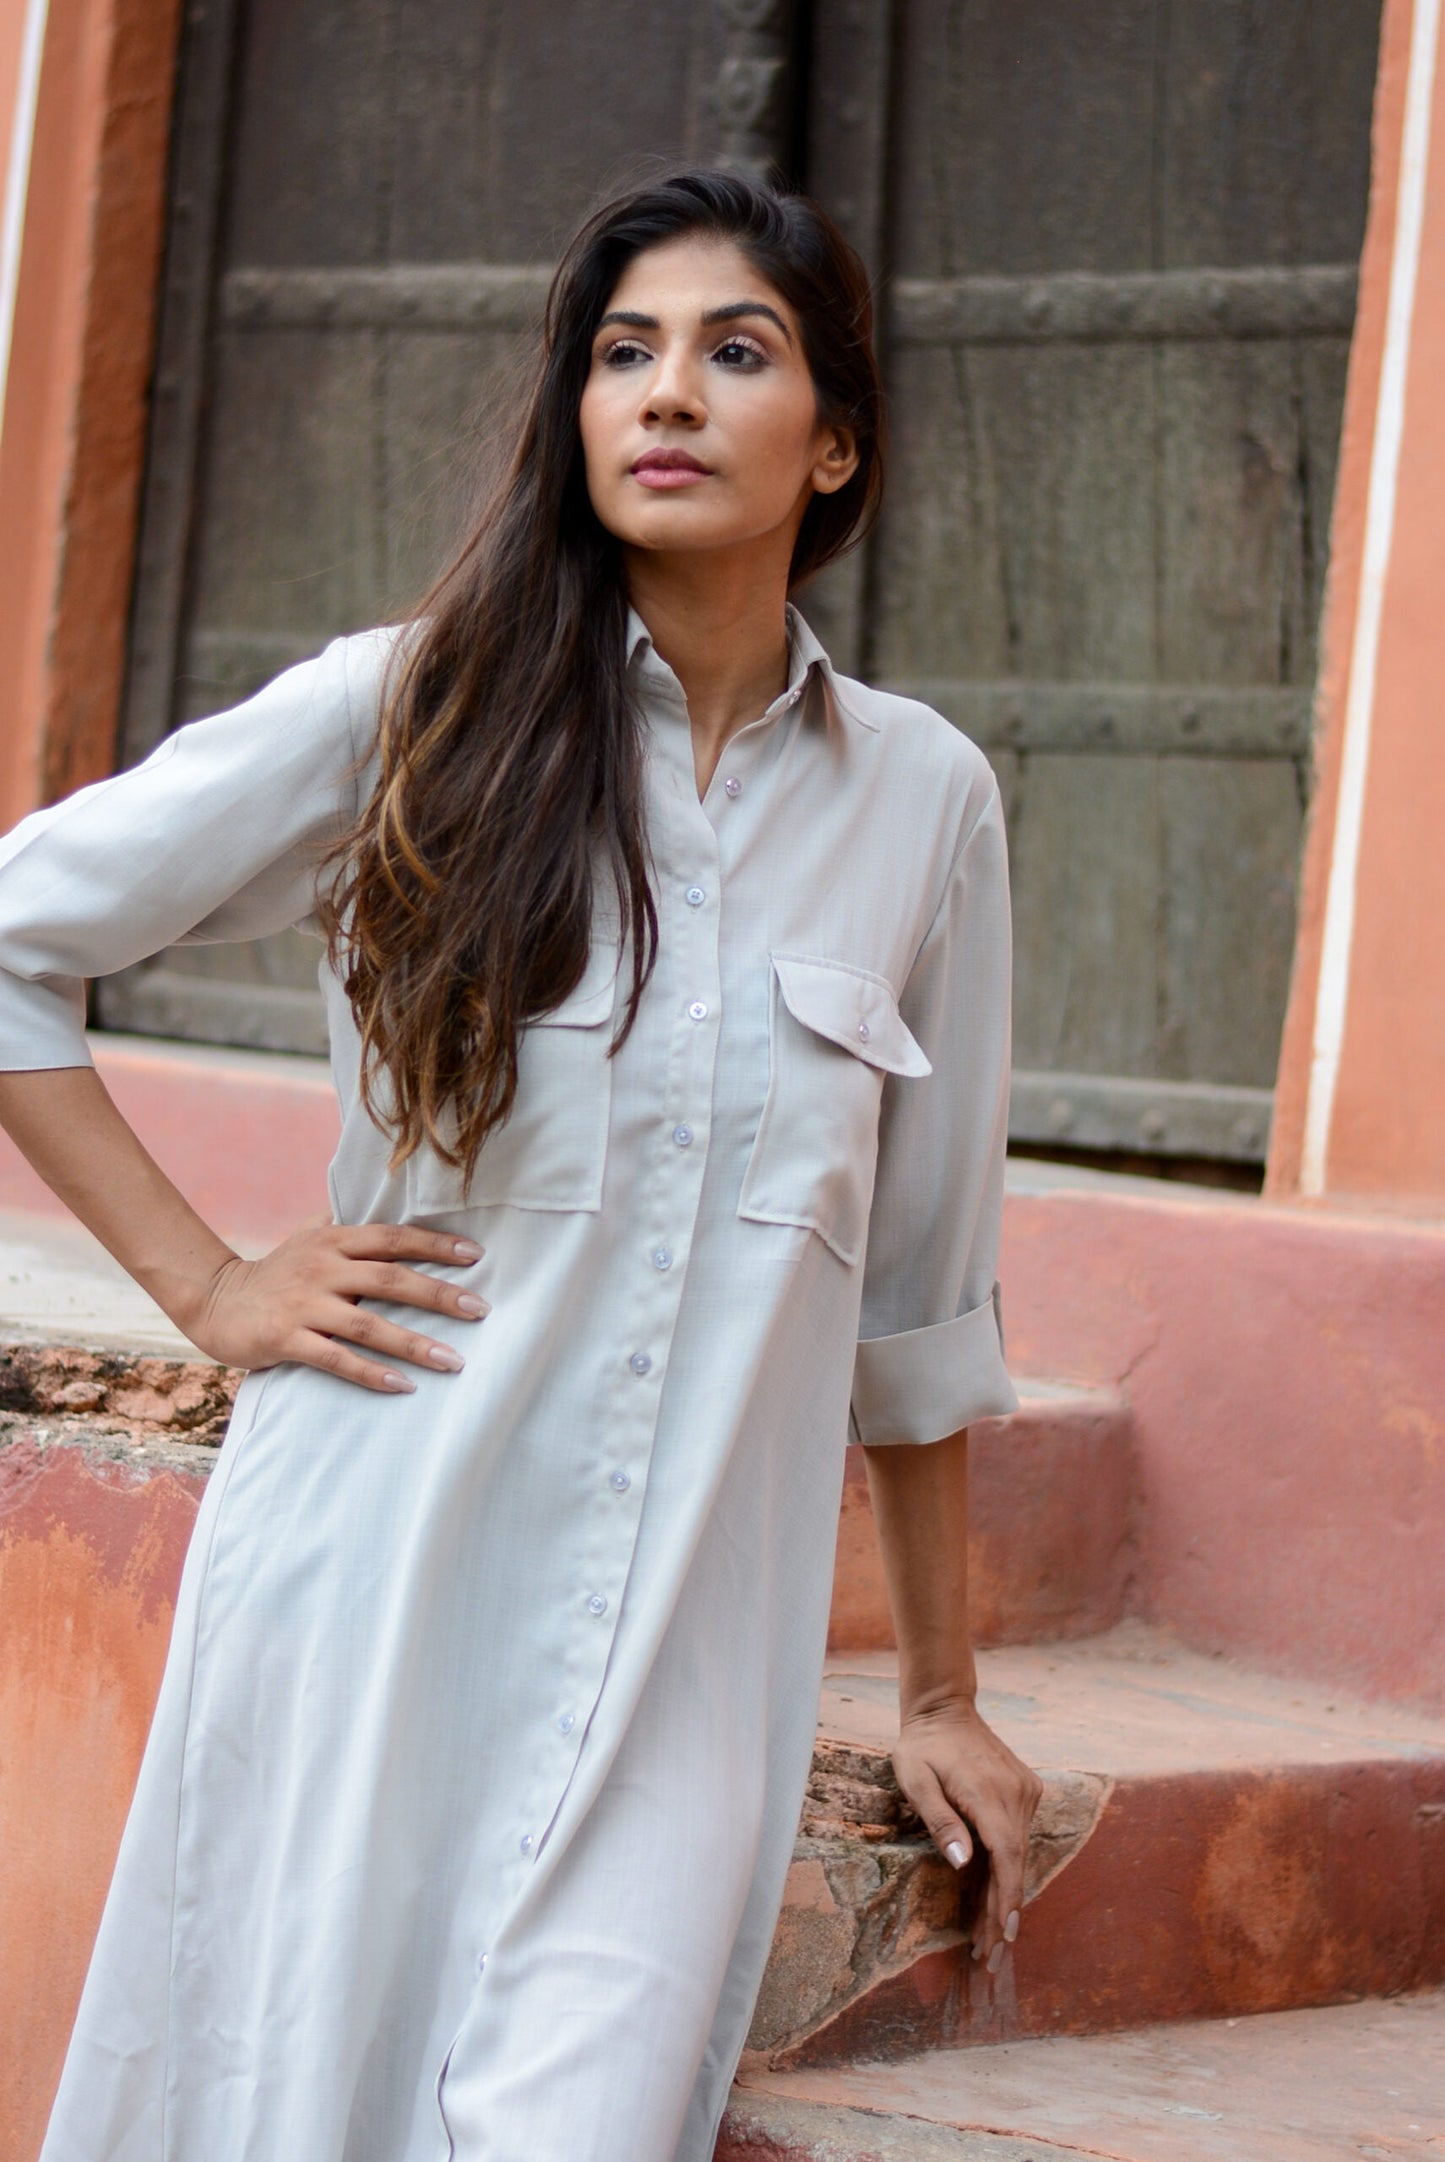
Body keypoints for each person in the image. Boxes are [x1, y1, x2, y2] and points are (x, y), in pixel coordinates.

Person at [0, 168, 1042, 2162]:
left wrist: (939, 1686)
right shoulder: (418, 712)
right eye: (622, 353)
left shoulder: (926, 801)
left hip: (675, 1691)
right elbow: (15, 936)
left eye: (737, 352)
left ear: (834, 440)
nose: (666, 394)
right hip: (370, 1601)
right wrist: (210, 1287)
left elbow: (918, 1295)